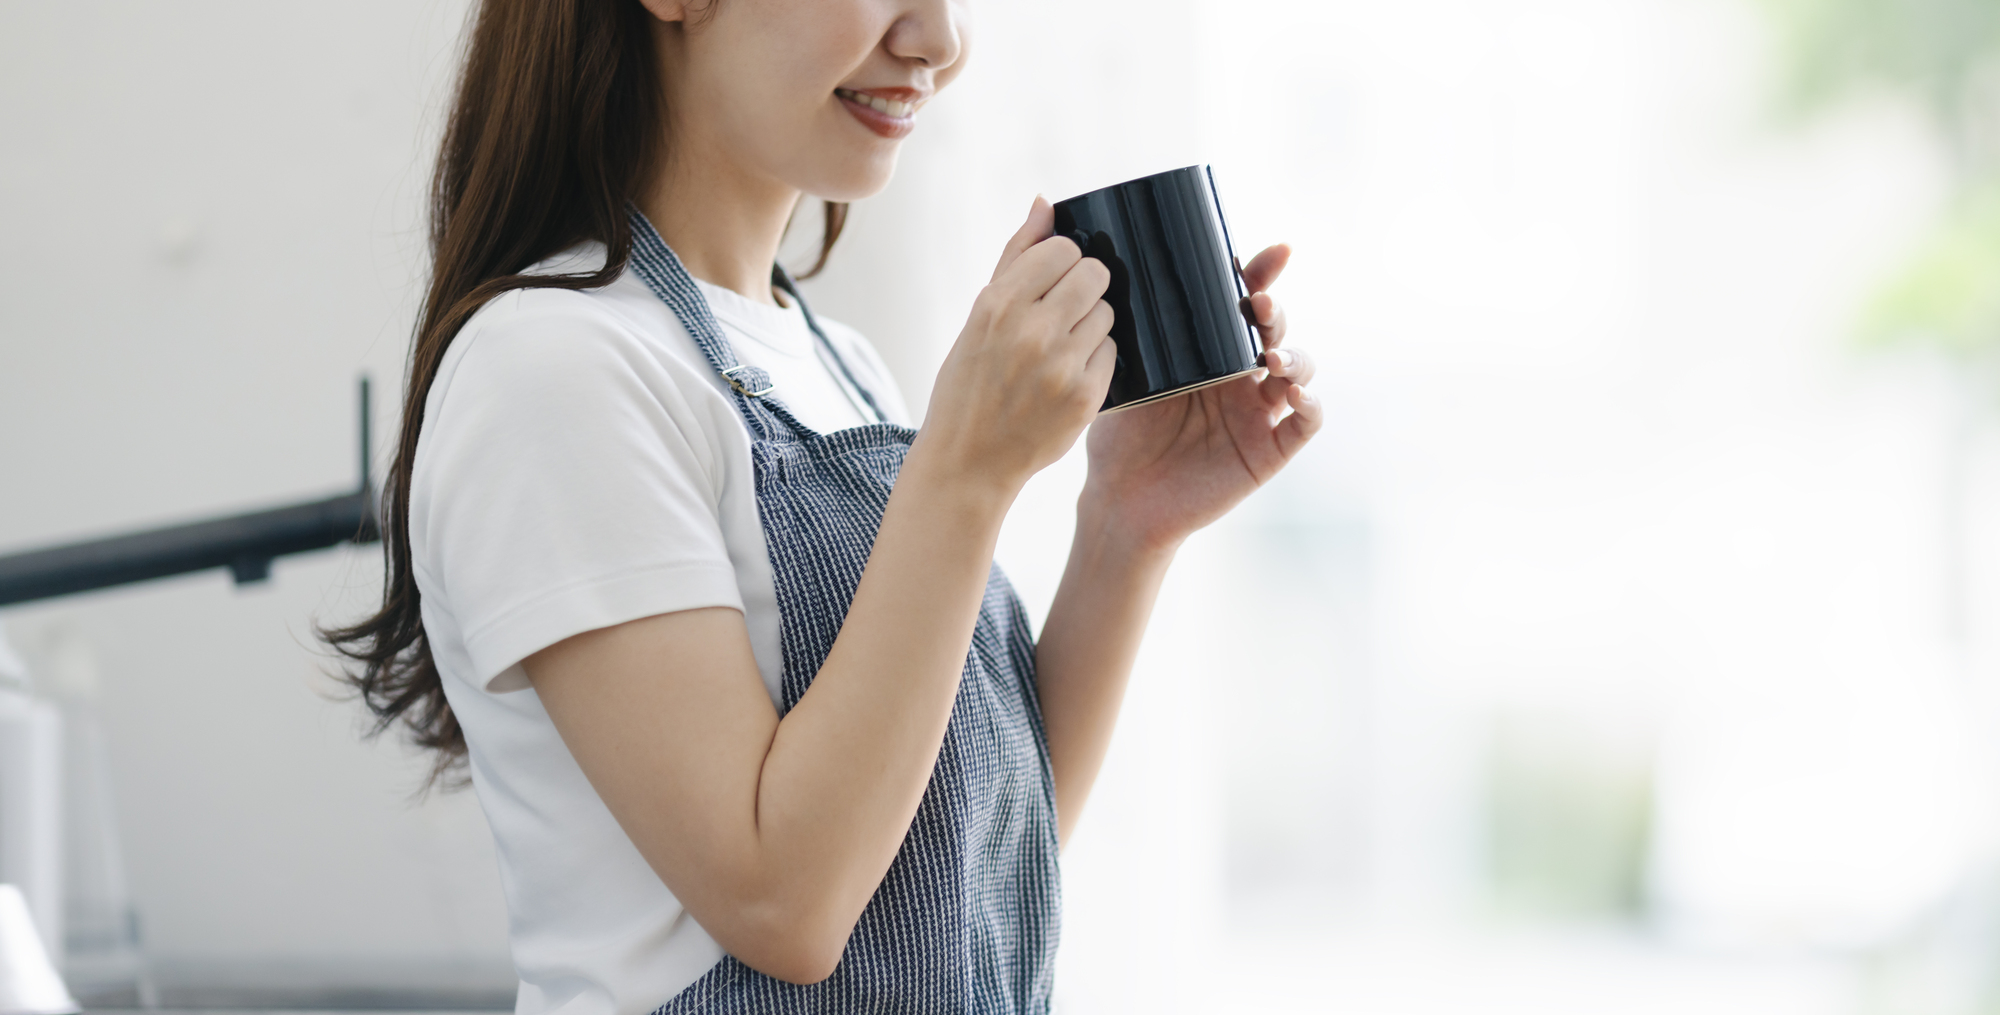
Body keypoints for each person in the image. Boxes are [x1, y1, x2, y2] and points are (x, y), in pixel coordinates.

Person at [322, 0, 1321, 1012]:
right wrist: (965, 472)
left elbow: (959, 857)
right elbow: (783, 904)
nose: (939, 41)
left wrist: (1125, 524)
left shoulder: (840, 366)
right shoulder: (550, 369)